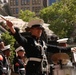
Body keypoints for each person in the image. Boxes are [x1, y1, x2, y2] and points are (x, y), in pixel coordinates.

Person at [5, 18, 76, 75]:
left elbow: (56, 49)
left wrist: (70, 49)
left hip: (42, 69)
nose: (40, 31)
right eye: (37, 29)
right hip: (32, 69)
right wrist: (12, 28)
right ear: (31, 30)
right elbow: (19, 38)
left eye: (41, 29)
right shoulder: (28, 41)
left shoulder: (42, 43)